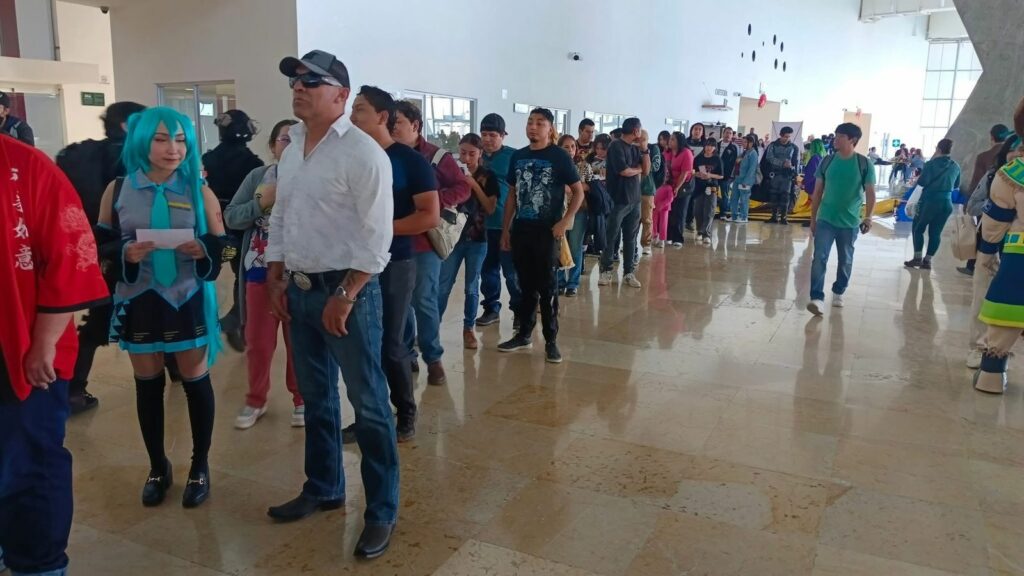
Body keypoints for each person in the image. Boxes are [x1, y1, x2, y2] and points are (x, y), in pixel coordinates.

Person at [264, 49, 399, 559]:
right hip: (299, 289)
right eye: (295, 82)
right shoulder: (293, 147)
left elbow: (377, 236)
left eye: (312, 81)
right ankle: (323, 486)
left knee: (368, 404)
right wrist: (276, 272)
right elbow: (282, 214)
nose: (299, 88)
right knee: (316, 398)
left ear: (341, 95)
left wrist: (346, 293)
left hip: (348, 293)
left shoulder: (363, 153)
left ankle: (381, 509)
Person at [96, 106, 227, 510]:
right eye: (161, 139)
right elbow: (98, 244)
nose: (173, 149)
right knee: (148, 384)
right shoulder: (118, 189)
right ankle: (157, 467)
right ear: (141, 142)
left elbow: (225, 246)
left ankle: (199, 466)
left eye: (181, 140)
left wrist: (203, 248)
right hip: (139, 297)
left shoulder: (199, 190)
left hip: (186, 297)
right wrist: (124, 252)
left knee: (195, 381)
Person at [0, 134, 108, 576]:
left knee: (29, 461)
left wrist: (42, 343)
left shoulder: (25, 166)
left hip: (22, 345)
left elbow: (71, 255)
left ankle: (38, 564)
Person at [346, 85, 438, 444]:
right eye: (352, 108)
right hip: (351, 261)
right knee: (359, 343)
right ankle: (368, 414)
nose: (352, 116)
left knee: (391, 342)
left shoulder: (408, 161)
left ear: (382, 117)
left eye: (360, 109)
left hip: (395, 262)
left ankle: (405, 412)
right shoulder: (352, 156)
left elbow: (429, 216)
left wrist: (381, 229)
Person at [55, 100, 146, 415]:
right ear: (127, 126)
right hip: (131, 249)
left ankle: (73, 390)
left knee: (97, 321)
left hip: (91, 249)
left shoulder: (79, 155)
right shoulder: (132, 161)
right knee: (152, 307)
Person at [224, 119, 306, 430]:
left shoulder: (313, 178)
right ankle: (256, 399)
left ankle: (302, 398)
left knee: (299, 343)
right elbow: (232, 216)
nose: (291, 145)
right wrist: (262, 203)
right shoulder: (257, 177)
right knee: (259, 342)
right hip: (259, 271)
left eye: (297, 139)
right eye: (284, 139)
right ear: (272, 146)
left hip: (300, 274)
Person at [393, 101, 470, 386]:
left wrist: (433, 203)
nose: (391, 127)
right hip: (393, 240)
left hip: (425, 242)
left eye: (397, 122)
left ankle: (433, 357)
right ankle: (406, 354)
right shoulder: (385, 154)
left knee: (424, 299)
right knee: (398, 303)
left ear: (415, 125)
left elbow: (462, 186)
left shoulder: (436, 156)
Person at [497, 108, 583, 363]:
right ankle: (524, 334)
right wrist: (506, 229)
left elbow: (578, 192)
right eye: (530, 122)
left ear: (550, 128)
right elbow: (512, 195)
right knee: (525, 286)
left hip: (547, 232)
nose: (533, 127)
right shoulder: (518, 156)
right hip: (522, 230)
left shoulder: (559, 156)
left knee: (547, 287)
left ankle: (551, 340)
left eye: (540, 123)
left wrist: (565, 222)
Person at [202, 109, 265, 352]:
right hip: (241, 228)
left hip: (213, 224)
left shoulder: (209, 158)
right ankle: (234, 319)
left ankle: (215, 321)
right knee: (244, 275)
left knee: (209, 273)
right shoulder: (254, 164)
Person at [973, 103, 1024, 393]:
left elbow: (996, 220)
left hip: (1019, 256)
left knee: (1007, 317)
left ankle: (991, 375)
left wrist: (989, 249)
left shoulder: (1013, 173)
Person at [807, 123, 876, 315]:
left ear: (852, 140)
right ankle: (816, 297)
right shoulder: (827, 161)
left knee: (845, 259)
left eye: (840, 136)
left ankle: (839, 290)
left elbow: (870, 194)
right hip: (826, 219)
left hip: (850, 222)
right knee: (819, 257)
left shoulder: (864, 164)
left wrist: (868, 217)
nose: (835, 140)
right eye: (835, 135)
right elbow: (817, 192)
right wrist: (813, 218)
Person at [966, 133, 1021, 369]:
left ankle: (994, 361)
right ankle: (980, 349)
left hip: (1013, 252)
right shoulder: (997, 175)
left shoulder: (1012, 175)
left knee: (1005, 308)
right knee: (984, 299)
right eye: (1015, 149)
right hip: (995, 252)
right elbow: (973, 206)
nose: (1018, 154)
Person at [439, 133, 498, 344]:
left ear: (480, 153)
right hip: (452, 237)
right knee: (443, 285)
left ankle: (468, 328)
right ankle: (432, 327)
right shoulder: (451, 173)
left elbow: (490, 208)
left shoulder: (488, 176)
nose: (466, 158)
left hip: (478, 238)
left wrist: (473, 185)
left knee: (472, 287)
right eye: (463, 153)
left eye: (472, 154)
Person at [477, 113, 521, 329]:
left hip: (507, 225)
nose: (487, 139)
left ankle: (520, 311)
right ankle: (491, 309)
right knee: (487, 271)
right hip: (482, 226)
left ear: (503, 135)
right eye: (484, 134)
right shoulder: (476, 156)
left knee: (512, 273)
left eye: (492, 135)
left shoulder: (514, 157)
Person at [598, 117, 648, 288]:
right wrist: (638, 169)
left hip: (635, 200)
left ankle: (629, 272)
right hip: (618, 200)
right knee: (611, 236)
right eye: (640, 129)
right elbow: (624, 171)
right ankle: (606, 270)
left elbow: (646, 170)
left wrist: (645, 150)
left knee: (630, 238)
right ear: (635, 130)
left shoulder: (635, 148)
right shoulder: (616, 146)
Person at [904, 139, 961, 270]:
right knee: (936, 233)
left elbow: (922, 182)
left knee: (918, 228)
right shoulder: (955, 166)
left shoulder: (931, 164)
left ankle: (917, 258)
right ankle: (927, 261)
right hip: (946, 203)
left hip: (929, 201)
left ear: (938, 149)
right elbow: (956, 185)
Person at [556, 134, 593, 296]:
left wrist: (574, 187)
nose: (570, 150)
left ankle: (572, 283)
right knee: (559, 246)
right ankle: (559, 281)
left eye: (573, 146)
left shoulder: (583, 166)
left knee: (575, 246)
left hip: (578, 211)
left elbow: (591, 186)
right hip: (559, 211)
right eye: (566, 147)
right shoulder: (554, 166)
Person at [763, 126, 800, 224]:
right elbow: (769, 157)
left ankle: (784, 217)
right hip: (774, 174)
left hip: (787, 176)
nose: (787, 139)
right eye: (785, 136)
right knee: (773, 195)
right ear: (781, 135)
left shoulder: (794, 147)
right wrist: (782, 163)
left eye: (789, 137)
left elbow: (796, 162)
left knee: (785, 196)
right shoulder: (772, 145)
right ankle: (774, 216)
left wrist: (794, 173)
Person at [665, 131, 695, 247]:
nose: (670, 141)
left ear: (679, 142)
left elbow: (684, 173)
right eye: (670, 139)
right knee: (670, 210)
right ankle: (668, 236)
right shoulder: (668, 152)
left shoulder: (687, 153)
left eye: (673, 139)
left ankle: (678, 238)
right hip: (671, 183)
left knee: (680, 211)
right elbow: (666, 167)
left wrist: (677, 187)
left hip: (684, 184)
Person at [692, 138, 724, 245]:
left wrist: (710, 175)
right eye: (707, 145)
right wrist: (698, 174)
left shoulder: (717, 159)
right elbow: (693, 171)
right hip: (699, 187)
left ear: (715, 148)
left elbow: (721, 175)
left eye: (712, 146)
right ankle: (699, 231)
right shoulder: (698, 158)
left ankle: (706, 234)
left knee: (709, 211)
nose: (709, 148)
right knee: (697, 211)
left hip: (712, 187)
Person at [585, 134, 612, 256]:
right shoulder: (590, 159)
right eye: (597, 148)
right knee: (593, 222)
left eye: (603, 149)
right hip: (592, 195)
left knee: (606, 223)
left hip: (607, 196)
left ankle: (605, 249)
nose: (600, 151)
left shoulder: (612, 160)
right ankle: (591, 245)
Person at [640, 129, 664, 255]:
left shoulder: (653, 149)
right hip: (632, 189)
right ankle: (629, 242)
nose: (640, 142)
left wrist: (640, 167)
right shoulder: (631, 148)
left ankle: (646, 243)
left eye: (643, 140)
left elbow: (655, 166)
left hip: (647, 189)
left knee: (647, 219)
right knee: (632, 219)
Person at [730, 134, 759, 223]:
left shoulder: (753, 153)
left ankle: (744, 217)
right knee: (734, 197)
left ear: (751, 143)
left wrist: (746, 181)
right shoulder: (744, 152)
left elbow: (752, 169)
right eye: (743, 142)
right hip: (737, 178)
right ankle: (734, 216)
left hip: (745, 180)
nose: (743, 144)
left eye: (745, 142)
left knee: (744, 199)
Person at [718, 127, 739, 219]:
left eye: (730, 133)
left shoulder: (734, 147)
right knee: (712, 193)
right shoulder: (717, 145)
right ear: (723, 133)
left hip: (727, 175)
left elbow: (736, 162)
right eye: (726, 132)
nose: (728, 135)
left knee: (725, 194)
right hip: (715, 174)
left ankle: (724, 212)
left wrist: (732, 175)